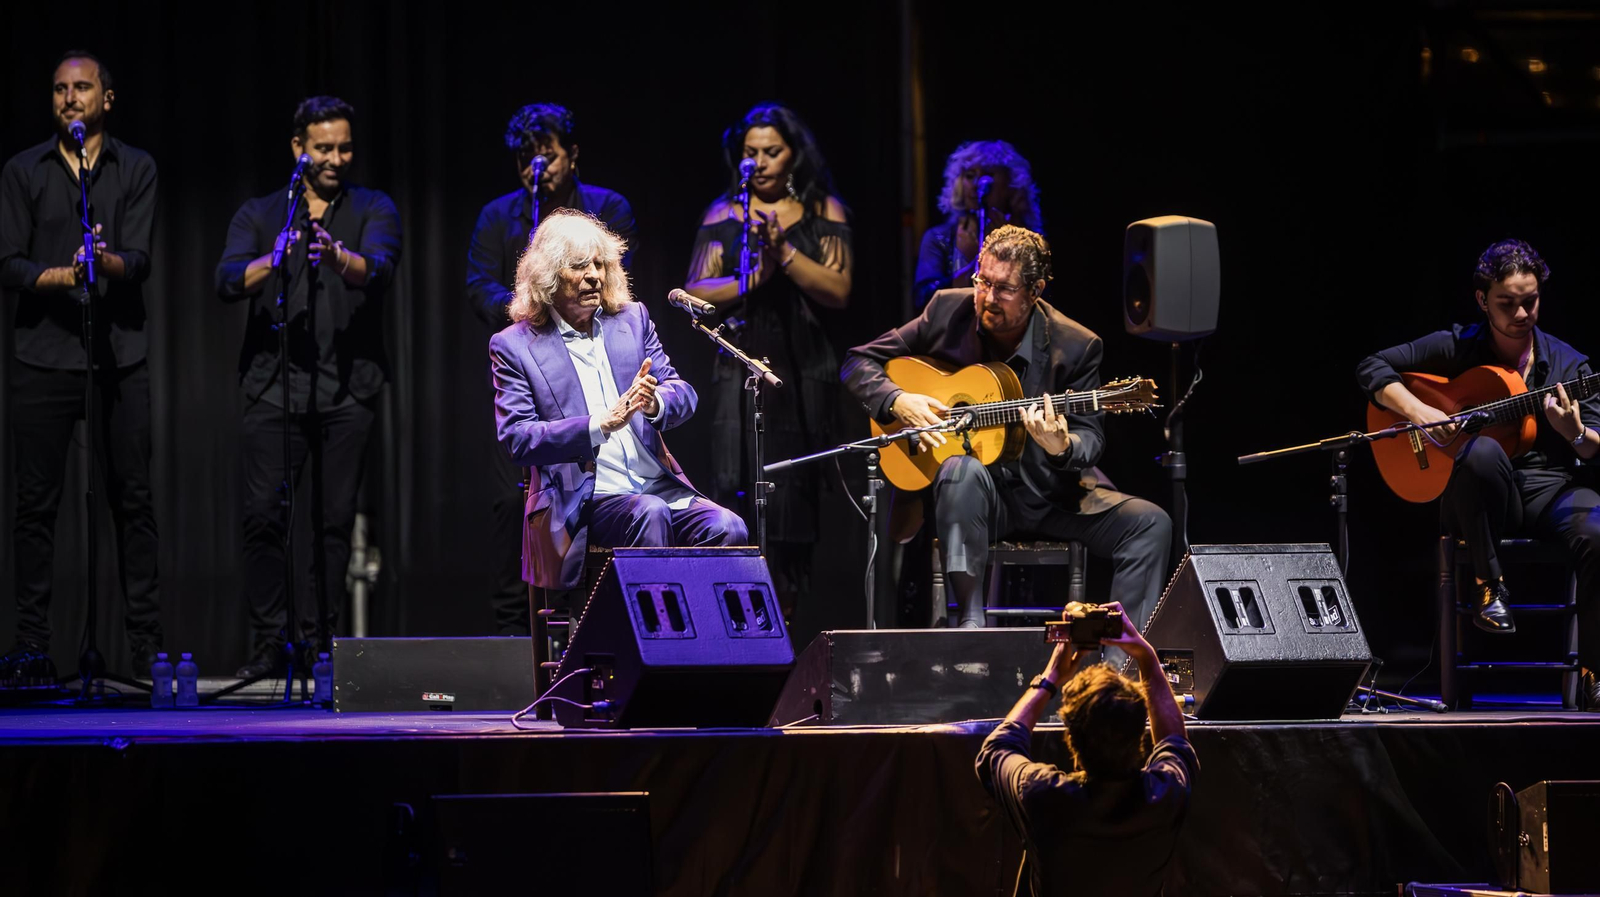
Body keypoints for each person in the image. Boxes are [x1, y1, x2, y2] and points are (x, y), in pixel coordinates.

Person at [842, 225, 1172, 630]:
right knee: (959, 469)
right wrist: (898, 400)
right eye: (983, 282)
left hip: (1052, 496)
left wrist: (1062, 445)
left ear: (1036, 291)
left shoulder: (1076, 344)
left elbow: (1092, 438)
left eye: (1004, 289)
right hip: (974, 501)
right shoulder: (948, 310)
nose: (987, 298)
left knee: (1151, 524)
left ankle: (1119, 666)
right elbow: (857, 362)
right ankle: (971, 628)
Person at [1357, 238, 1600, 710]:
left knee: (1599, 530)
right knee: (1484, 451)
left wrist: (1574, 434)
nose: (1521, 313)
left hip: (1550, 491)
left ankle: (1595, 675)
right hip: (1480, 497)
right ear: (1482, 300)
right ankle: (1492, 588)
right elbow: (1372, 366)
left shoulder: (1572, 366)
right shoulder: (1458, 346)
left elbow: (1595, 446)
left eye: (1530, 301)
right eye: (1506, 303)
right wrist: (1419, 410)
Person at [215, 96, 402, 678]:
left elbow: (380, 268)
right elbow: (225, 279)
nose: (336, 158)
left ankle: (320, 645)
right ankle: (272, 644)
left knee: (332, 523)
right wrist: (274, 260)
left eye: (345, 147)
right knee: (264, 519)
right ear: (298, 149)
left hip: (348, 394)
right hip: (273, 390)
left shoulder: (373, 206)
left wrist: (335, 254)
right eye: (324, 148)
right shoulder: (263, 211)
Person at [0, 50, 162, 678]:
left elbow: (140, 259)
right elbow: (8, 263)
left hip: (118, 356)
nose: (71, 98)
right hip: (40, 356)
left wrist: (107, 263)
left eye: (83, 88)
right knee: (35, 507)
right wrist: (67, 273)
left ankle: (146, 648)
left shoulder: (135, 167)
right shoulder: (22, 170)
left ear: (107, 100)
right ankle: (33, 647)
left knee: (134, 502)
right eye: (61, 89)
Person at [491, 209, 746, 593]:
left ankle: (707, 644)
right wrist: (600, 424)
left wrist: (654, 403)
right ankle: (651, 644)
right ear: (548, 275)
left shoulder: (632, 321)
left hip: (656, 488)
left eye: (600, 264)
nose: (594, 275)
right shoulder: (514, 345)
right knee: (650, 514)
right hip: (583, 501)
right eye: (579, 266)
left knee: (729, 527)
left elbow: (682, 392)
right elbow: (518, 438)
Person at [467, 103, 638, 635]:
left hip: (590, 352)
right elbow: (478, 286)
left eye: (547, 152)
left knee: (605, 490)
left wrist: (571, 303)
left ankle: (605, 626)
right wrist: (536, 314)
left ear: (572, 154)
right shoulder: (499, 216)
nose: (536, 165)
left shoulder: (606, 208)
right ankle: (516, 633)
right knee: (512, 503)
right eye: (525, 156)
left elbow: (614, 285)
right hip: (531, 362)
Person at [683, 103, 852, 616]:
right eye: (750, 152)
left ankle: (784, 623)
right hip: (739, 369)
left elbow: (838, 289)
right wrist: (749, 280)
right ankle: (738, 619)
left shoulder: (824, 209)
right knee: (735, 490)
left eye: (771, 151)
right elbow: (693, 288)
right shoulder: (723, 213)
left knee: (791, 503)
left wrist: (783, 256)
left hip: (800, 374)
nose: (758, 162)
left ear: (793, 155)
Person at [975, 601, 1198, 897]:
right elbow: (1175, 740)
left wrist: (1051, 677)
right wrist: (1146, 656)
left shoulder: (1043, 794)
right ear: (1139, 736)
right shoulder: (1166, 793)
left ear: (1071, 739)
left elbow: (997, 749)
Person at [914, 139, 1043, 310]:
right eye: (969, 176)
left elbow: (1039, 299)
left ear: (1011, 185)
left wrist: (1012, 248)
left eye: (987, 175)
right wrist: (987, 258)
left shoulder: (1030, 240)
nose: (977, 185)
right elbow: (924, 298)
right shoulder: (940, 238)